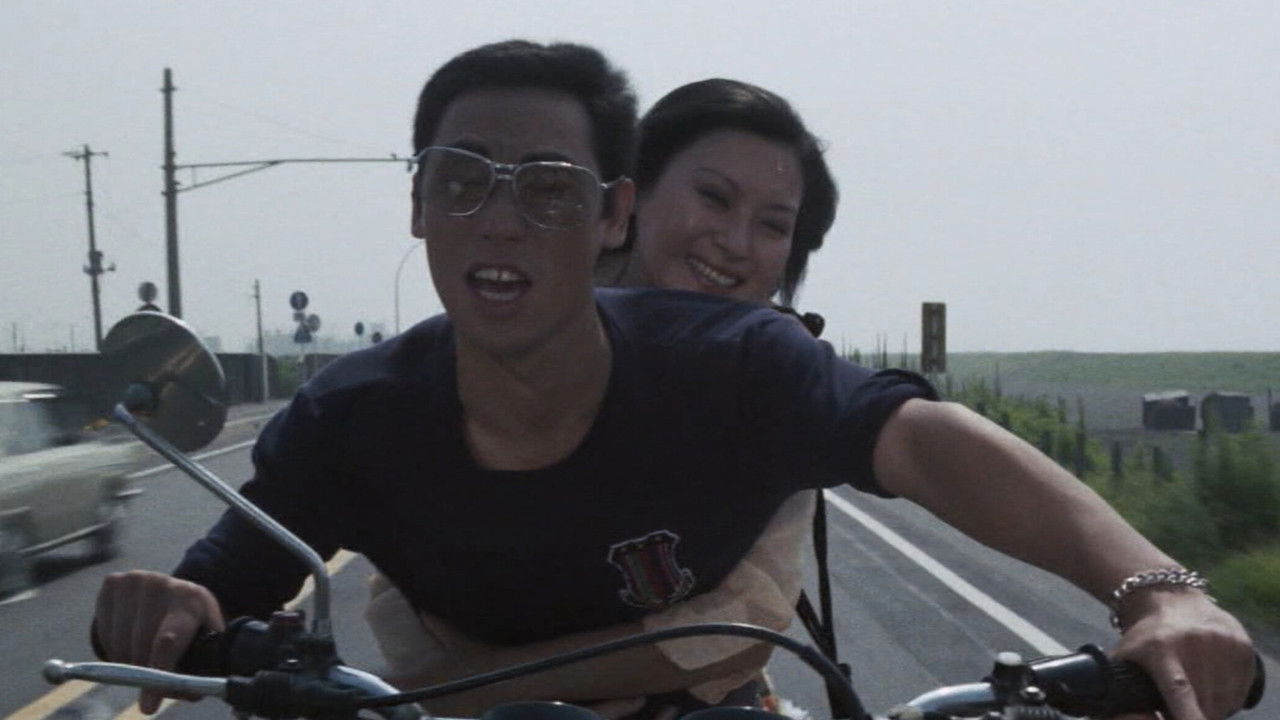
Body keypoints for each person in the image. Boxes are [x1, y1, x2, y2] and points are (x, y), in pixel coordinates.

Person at [93, 40, 1257, 720]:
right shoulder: (349, 417)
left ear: (608, 211)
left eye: (546, 186)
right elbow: (222, 585)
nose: (499, 218)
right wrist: (173, 610)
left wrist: (1155, 588)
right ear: (415, 204)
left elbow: (919, 439)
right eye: (460, 180)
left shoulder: (735, 366)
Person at [367, 76, 841, 716]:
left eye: (773, 225)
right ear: (631, 194)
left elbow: (740, 625)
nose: (734, 242)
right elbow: (403, 594)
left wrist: (490, 682)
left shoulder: (775, 380)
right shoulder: (515, 324)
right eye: (712, 197)